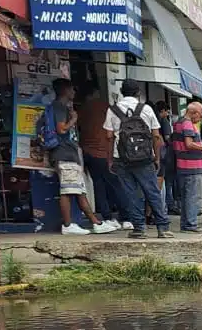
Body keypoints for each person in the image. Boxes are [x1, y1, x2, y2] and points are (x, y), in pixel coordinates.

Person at [40, 78, 111, 235]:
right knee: (68, 189)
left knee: (77, 189)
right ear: (65, 90)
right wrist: (73, 119)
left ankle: (95, 223)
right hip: (64, 153)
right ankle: (68, 224)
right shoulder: (59, 108)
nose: (74, 92)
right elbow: (62, 129)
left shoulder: (59, 107)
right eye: (72, 89)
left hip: (67, 153)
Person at [105, 81, 168, 238]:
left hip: (121, 159)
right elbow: (156, 136)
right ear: (138, 92)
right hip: (145, 158)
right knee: (152, 191)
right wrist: (157, 157)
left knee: (131, 193)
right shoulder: (146, 109)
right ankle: (163, 228)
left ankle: (139, 228)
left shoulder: (112, 110)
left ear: (121, 91)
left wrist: (110, 160)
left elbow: (109, 137)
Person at [76, 80, 128, 229]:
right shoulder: (104, 106)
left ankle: (106, 216)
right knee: (116, 184)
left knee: (98, 184)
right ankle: (125, 216)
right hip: (103, 152)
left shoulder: (81, 110)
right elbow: (112, 131)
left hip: (87, 152)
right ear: (95, 93)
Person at [171, 100, 202, 232]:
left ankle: (186, 224)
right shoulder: (187, 124)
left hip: (183, 164)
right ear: (193, 112)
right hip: (191, 165)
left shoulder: (178, 122)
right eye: (200, 115)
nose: (201, 118)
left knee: (186, 196)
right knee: (192, 196)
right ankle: (190, 224)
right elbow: (189, 144)